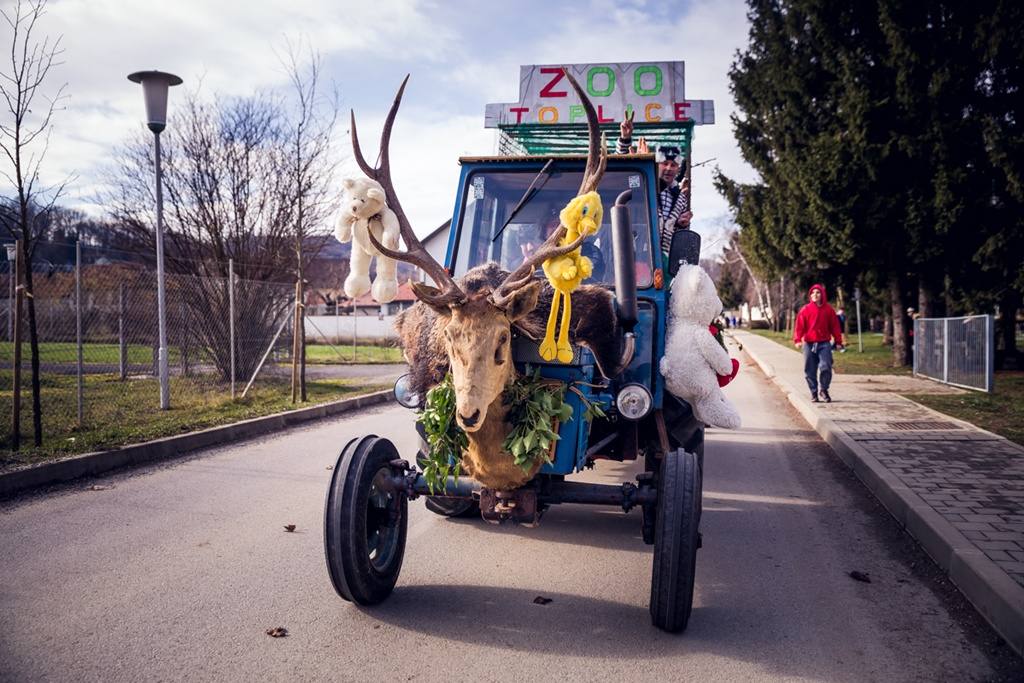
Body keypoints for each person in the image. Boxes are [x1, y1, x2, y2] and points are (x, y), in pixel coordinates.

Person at [617, 113, 692, 254]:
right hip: (634, 255)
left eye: (673, 164)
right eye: (665, 163)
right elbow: (624, 171)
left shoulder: (680, 198)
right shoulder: (642, 183)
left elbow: (678, 235)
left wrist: (681, 225)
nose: (669, 168)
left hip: (663, 260)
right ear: (657, 165)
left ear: (678, 168)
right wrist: (626, 141)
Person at [793, 284, 844, 403]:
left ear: (822, 295)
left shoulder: (829, 310)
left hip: (824, 344)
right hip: (809, 344)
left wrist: (838, 341)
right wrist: (797, 339)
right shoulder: (805, 310)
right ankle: (814, 392)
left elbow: (835, 327)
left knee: (826, 366)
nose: (815, 295)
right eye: (812, 293)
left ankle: (824, 390)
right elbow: (799, 326)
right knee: (809, 369)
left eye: (818, 293)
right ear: (810, 295)